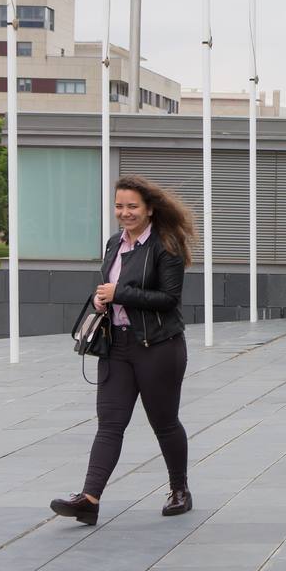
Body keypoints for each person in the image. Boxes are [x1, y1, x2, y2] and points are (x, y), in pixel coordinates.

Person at [51, 176, 196, 527]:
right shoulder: (115, 243)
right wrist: (103, 299)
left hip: (158, 347)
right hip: (117, 346)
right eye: (119, 206)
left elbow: (169, 300)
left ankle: (180, 490)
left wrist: (120, 294)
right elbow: (113, 287)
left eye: (132, 206)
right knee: (110, 424)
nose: (124, 213)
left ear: (149, 209)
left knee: (164, 422)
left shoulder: (167, 244)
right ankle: (89, 499)